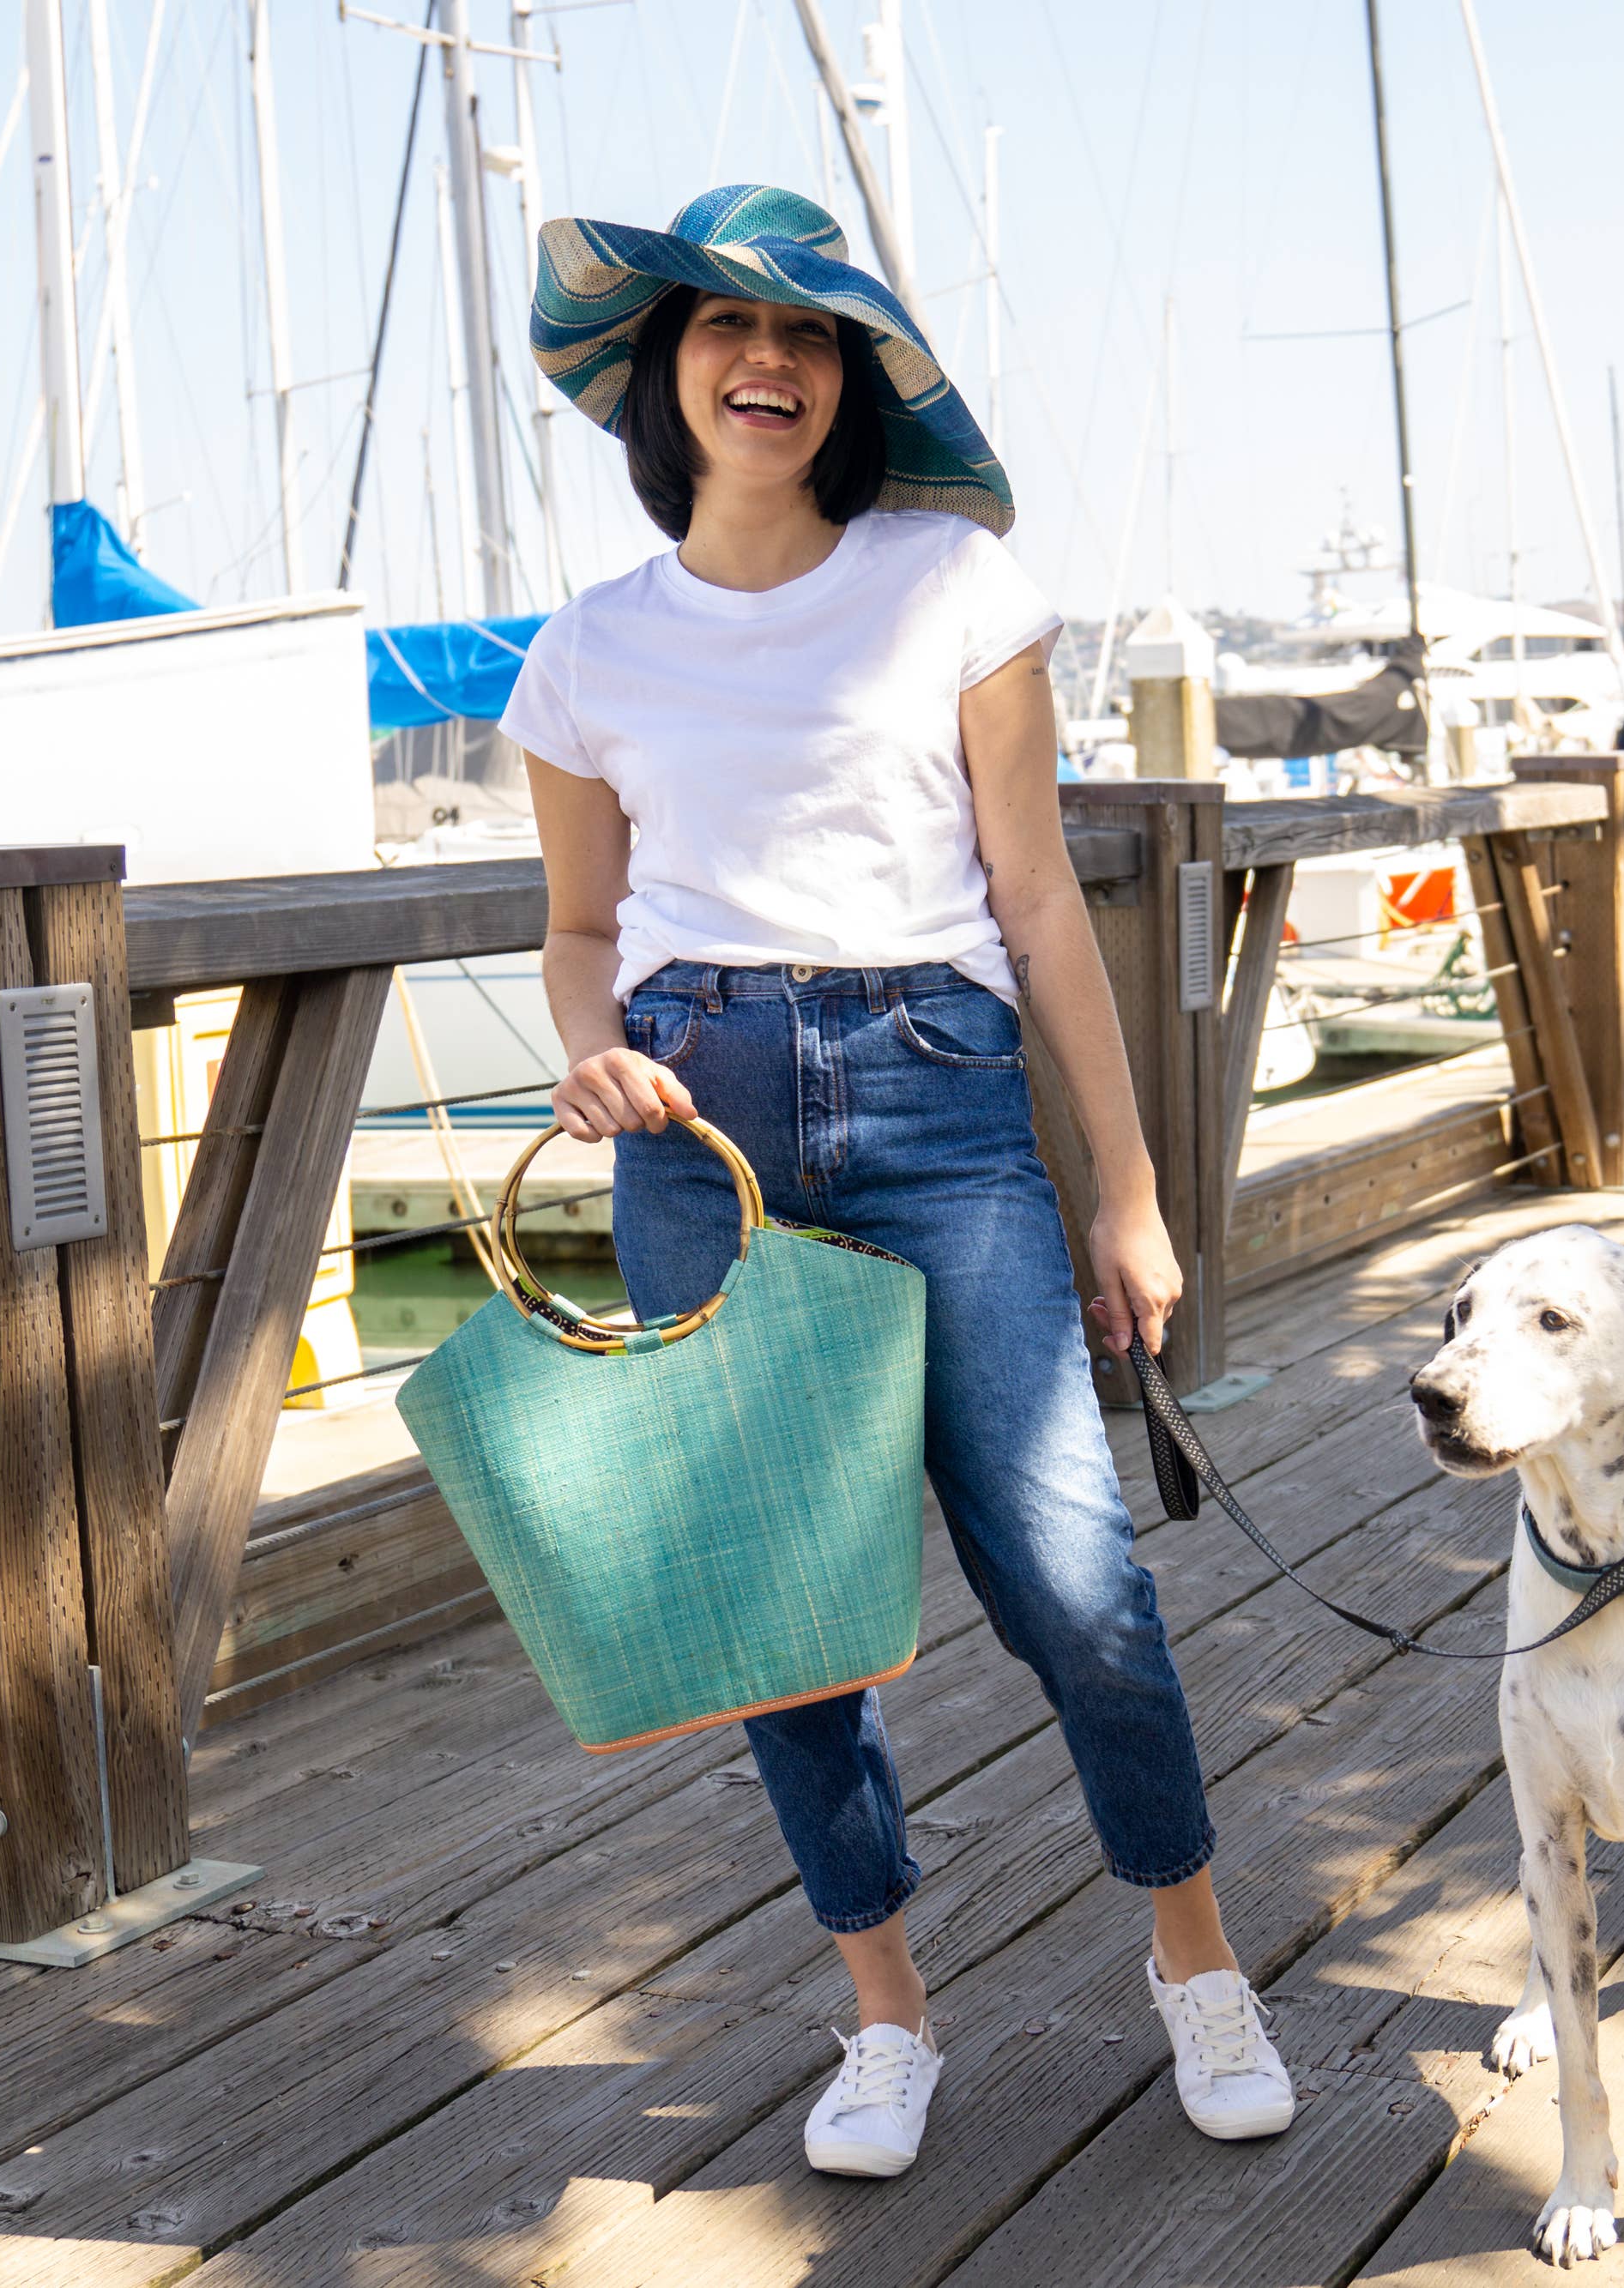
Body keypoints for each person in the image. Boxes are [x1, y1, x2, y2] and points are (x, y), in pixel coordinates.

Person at [498, 186, 1291, 2181]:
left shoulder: (951, 585)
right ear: (662, 376)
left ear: (845, 382)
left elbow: (1036, 901)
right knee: (787, 1620)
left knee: (1076, 1581)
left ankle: (1197, 1965)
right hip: (698, 1132)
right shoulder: (584, 655)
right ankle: (883, 2016)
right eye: (726, 335)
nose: (768, 365)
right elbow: (579, 931)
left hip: (938, 1104)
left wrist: (1127, 1187)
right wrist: (587, 1042)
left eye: (812, 338)